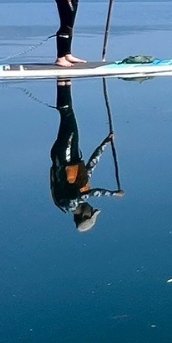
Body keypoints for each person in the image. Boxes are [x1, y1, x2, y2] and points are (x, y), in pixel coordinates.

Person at [49, 80, 123, 232]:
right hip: (71, 155)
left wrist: (112, 194)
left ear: (85, 215)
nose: (92, 208)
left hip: (64, 157)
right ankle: (64, 82)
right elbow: (90, 167)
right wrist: (105, 143)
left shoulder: (69, 204)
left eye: (91, 212)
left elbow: (90, 193)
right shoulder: (80, 193)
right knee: (68, 115)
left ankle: (63, 80)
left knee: (68, 115)